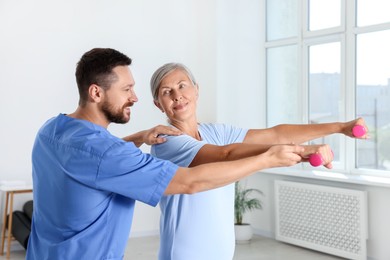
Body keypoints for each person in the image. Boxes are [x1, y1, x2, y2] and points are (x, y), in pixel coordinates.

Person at [26, 48, 330, 260]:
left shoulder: (52, 130)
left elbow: (94, 159)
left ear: (196, 89)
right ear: (96, 93)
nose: (134, 97)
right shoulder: (116, 151)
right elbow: (190, 182)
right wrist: (266, 160)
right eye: (127, 89)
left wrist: (137, 137)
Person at [149, 62, 368, 260]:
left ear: (196, 90)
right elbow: (226, 154)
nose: (177, 95)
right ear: (159, 104)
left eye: (182, 85)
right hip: (183, 253)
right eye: (167, 92)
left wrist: (340, 127)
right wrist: (300, 151)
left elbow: (276, 135)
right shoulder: (166, 141)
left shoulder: (215, 131)